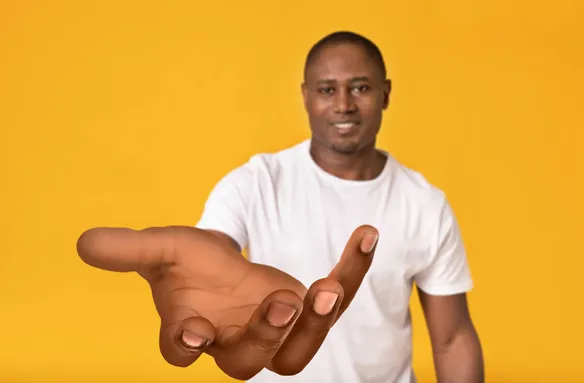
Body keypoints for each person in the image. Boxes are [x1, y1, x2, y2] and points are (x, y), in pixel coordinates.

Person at [77, 30, 484, 383]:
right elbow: (213, 252)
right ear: (306, 97)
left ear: (386, 94)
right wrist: (196, 285)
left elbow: (452, 339)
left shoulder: (425, 203)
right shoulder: (256, 183)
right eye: (327, 90)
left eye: (359, 87)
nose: (343, 104)